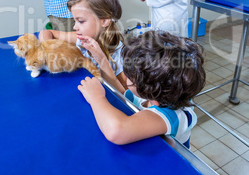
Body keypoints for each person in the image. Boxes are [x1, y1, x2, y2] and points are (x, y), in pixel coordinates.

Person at [78, 30, 206, 148]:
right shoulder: (153, 96)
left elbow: (116, 131)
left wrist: (96, 97)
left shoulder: (172, 116)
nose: (125, 77)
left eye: (128, 77)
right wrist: (101, 59)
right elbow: (122, 93)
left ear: (147, 88)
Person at [39, 0, 127, 93]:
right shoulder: (80, 38)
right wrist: (49, 47)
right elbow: (46, 33)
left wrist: (101, 58)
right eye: (75, 21)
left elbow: (124, 94)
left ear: (104, 21)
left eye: (80, 21)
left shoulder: (119, 53)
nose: (75, 27)